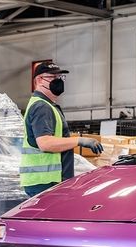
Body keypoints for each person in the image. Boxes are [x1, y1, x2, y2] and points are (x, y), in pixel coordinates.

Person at [20, 62, 103, 197]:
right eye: (53, 77)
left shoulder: (47, 105)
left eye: (60, 77)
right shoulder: (42, 107)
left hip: (46, 180)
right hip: (45, 181)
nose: (58, 81)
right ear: (39, 80)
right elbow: (45, 143)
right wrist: (79, 140)